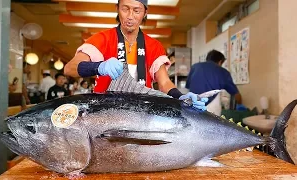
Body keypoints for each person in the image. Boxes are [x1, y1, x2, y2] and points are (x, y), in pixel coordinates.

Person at [64, 0, 208, 110]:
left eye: (136, 10)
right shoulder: (102, 39)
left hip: (142, 114)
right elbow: (69, 68)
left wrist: (181, 96)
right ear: (117, 9)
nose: (130, 16)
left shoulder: (154, 46)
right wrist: (99, 67)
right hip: (103, 113)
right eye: (125, 9)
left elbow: (164, 82)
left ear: (145, 12)